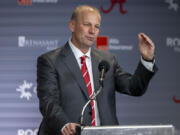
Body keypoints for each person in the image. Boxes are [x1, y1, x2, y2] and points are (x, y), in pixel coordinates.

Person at [37, 5, 158, 135]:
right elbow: (48, 103)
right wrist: (65, 124)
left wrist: (147, 59)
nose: (92, 31)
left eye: (97, 26)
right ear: (72, 26)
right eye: (87, 24)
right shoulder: (51, 61)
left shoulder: (107, 60)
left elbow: (134, 87)